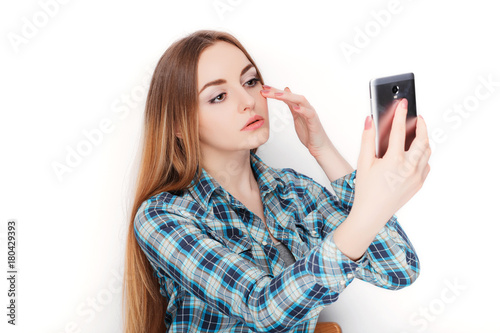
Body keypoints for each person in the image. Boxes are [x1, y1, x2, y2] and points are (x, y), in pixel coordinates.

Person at [122, 29, 431, 333]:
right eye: (218, 96)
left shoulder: (292, 191)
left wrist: (322, 150)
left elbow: (398, 270)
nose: (248, 100)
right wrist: (372, 208)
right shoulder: (162, 216)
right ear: (179, 125)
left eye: (251, 81)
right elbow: (261, 308)